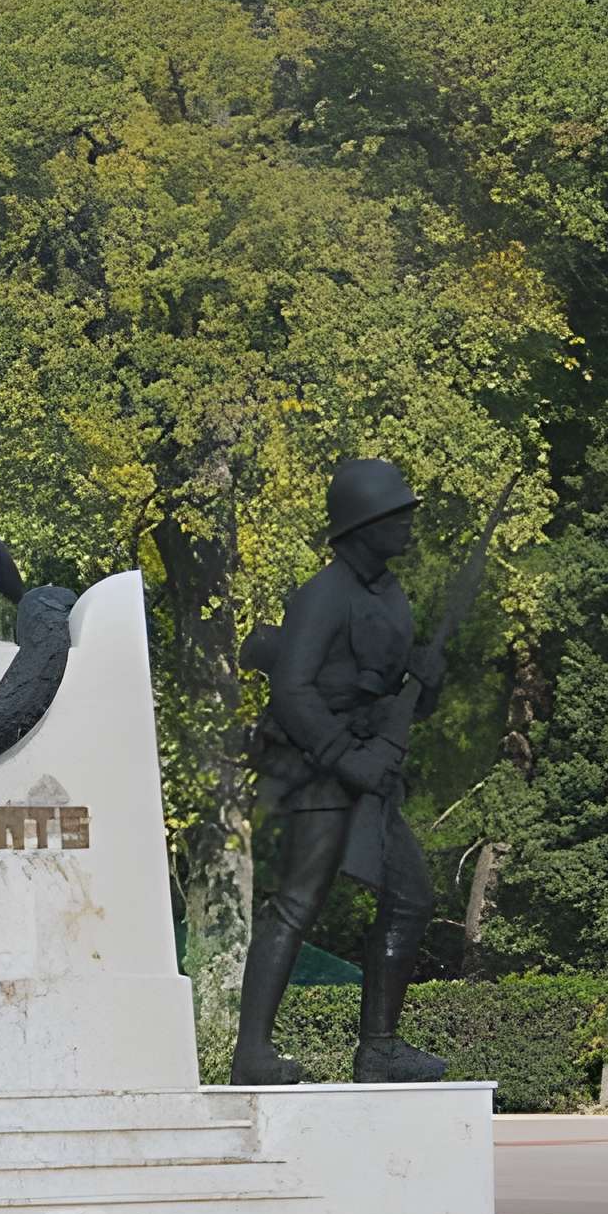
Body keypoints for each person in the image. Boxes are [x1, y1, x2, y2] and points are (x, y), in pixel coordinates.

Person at [231, 457, 449, 1086]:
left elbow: (388, 693)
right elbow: (294, 693)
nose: (409, 524)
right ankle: (253, 1053)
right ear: (363, 525)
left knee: (411, 896)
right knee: (298, 903)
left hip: (368, 768)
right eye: (396, 515)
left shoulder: (390, 594)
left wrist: (426, 687)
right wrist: (346, 759)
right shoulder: (323, 595)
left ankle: (378, 1047)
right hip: (320, 772)